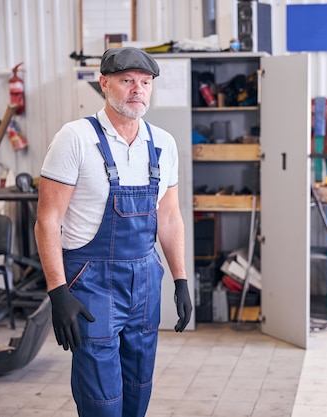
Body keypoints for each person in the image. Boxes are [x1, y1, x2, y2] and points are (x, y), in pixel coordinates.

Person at [34, 46, 192, 417]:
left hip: (145, 279)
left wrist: (181, 280)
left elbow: (169, 217)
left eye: (145, 82)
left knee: (138, 390)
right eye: (126, 81)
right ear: (104, 84)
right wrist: (58, 292)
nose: (137, 90)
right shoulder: (74, 138)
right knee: (103, 402)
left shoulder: (163, 144)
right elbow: (47, 221)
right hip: (92, 282)